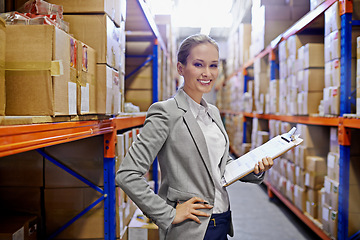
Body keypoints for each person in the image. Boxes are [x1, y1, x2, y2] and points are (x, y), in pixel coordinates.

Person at [116, 34, 274, 240]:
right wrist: (168, 214)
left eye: (213, 65)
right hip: (192, 229)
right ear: (181, 68)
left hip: (222, 221)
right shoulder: (165, 112)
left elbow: (220, 164)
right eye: (198, 64)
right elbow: (127, 174)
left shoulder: (213, 113)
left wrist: (254, 169)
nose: (207, 73)